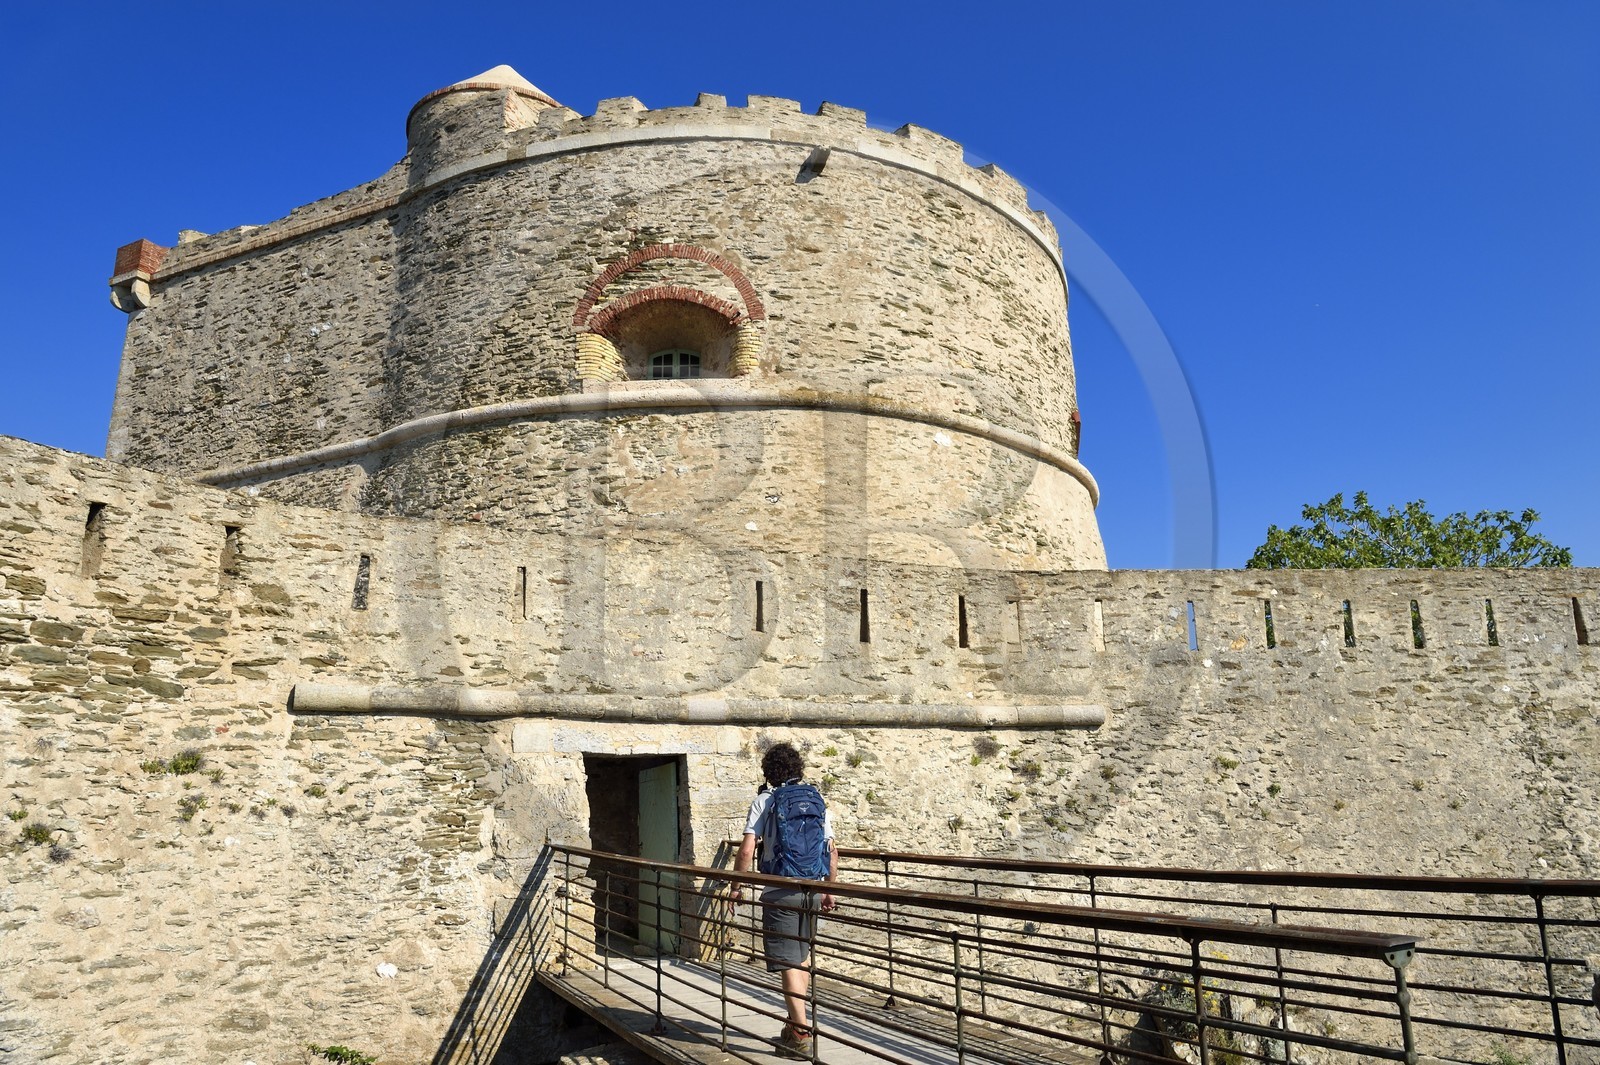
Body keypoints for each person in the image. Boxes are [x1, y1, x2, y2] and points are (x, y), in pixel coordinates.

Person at [732, 742, 838, 1059]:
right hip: (812, 888)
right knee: (801, 957)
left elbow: (747, 850)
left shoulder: (766, 800)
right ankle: (795, 1025)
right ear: (798, 769)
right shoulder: (816, 799)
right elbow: (832, 851)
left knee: (788, 961)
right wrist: (829, 889)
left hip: (780, 890)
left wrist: (736, 886)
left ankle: (801, 1034)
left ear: (769, 772)